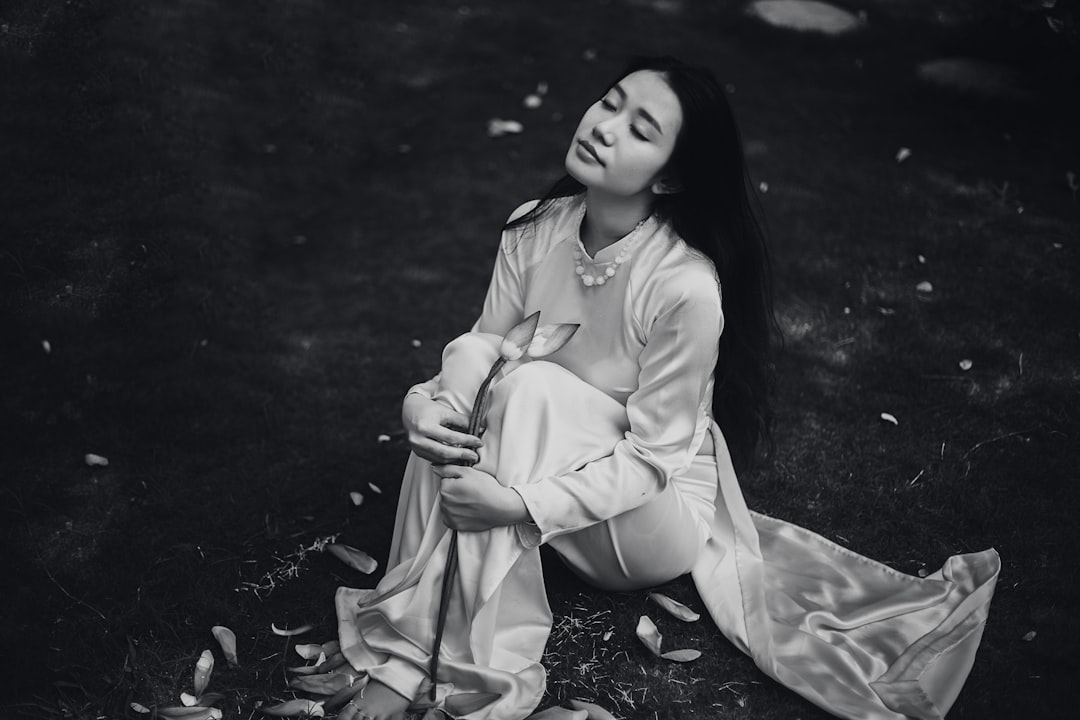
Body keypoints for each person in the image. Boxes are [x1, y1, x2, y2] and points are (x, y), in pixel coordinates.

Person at [331, 57, 1000, 720]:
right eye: (610, 102)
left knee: (529, 386)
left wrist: (517, 506)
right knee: (474, 381)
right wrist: (422, 408)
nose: (605, 125)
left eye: (640, 128)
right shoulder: (534, 226)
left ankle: (426, 658)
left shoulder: (684, 286)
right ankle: (421, 631)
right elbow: (479, 354)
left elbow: (652, 461)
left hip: (646, 525)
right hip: (548, 461)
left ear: (673, 175)